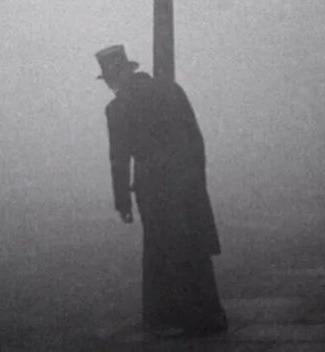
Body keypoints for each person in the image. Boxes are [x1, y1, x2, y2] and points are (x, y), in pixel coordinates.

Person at [95, 44, 228, 338]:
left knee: (167, 251)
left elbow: (119, 157)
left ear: (114, 77)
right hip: (186, 180)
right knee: (195, 248)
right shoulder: (170, 90)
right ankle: (209, 313)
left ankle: (185, 318)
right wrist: (196, 177)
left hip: (152, 186)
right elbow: (195, 137)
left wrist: (123, 201)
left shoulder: (117, 109)